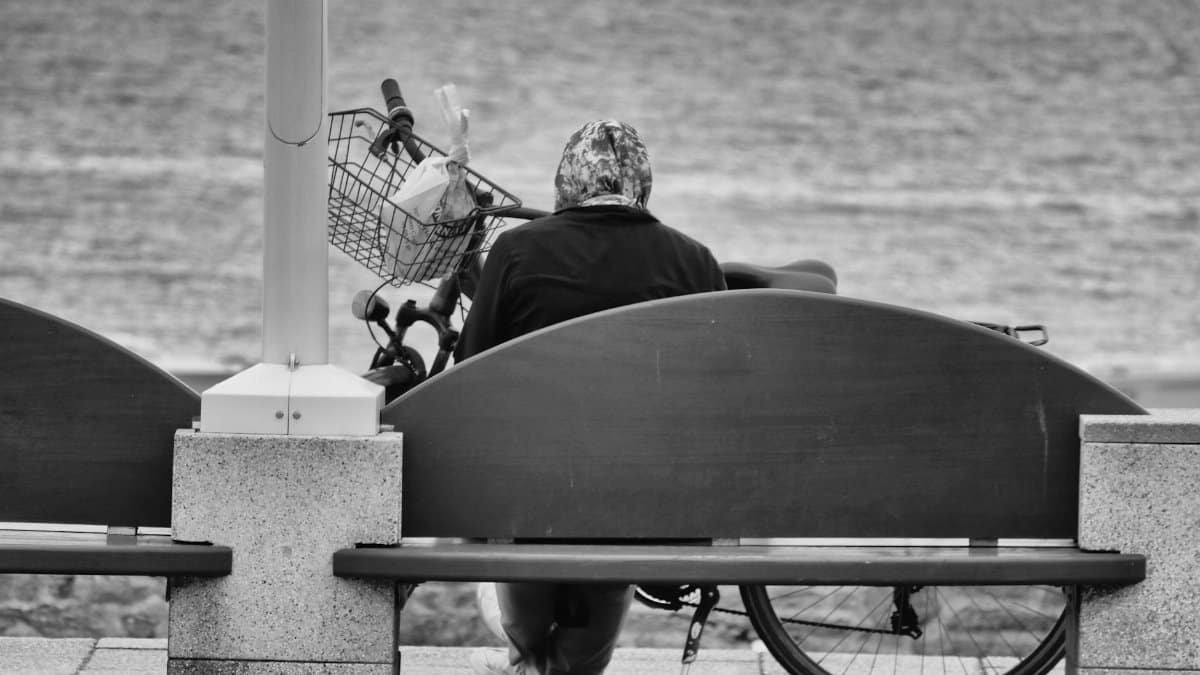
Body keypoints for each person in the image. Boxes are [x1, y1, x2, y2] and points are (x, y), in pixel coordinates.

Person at [455, 119, 727, 675]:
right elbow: (717, 399)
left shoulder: (515, 251)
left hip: (530, 503)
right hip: (642, 508)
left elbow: (469, 373)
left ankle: (529, 660)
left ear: (565, 183)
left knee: (529, 603)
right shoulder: (695, 262)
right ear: (642, 185)